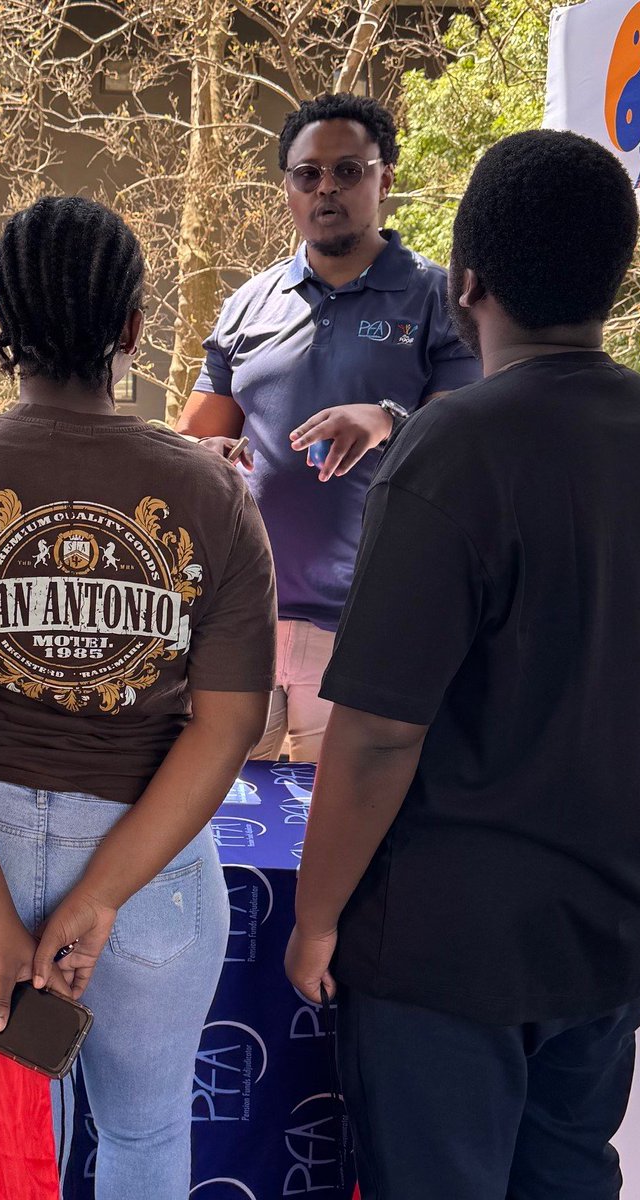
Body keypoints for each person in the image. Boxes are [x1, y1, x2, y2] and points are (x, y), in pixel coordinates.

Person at [285, 130, 640, 1198]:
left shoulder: (454, 446)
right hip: (610, 925)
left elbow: (382, 730)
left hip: (451, 948)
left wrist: (316, 915)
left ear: (464, 281)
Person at [0, 198, 276, 1197]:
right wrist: (102, 893)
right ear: (130, 329)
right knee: (144, 1132)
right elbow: (229, 725)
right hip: (146, 861)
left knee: (12, 1130)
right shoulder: (212, 496)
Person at [178, 93, 479, 760]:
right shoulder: (248, 304)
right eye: (307, 174)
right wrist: (206, 451)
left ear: (385, 178)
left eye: (348, 171)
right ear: (287, 185)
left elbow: (471, 436)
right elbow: (196, 438)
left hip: (367, 625)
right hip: (239, 617)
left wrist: (387, 418)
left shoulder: (438, 299)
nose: (326, 189)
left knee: (340, 825)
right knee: (227, 820)